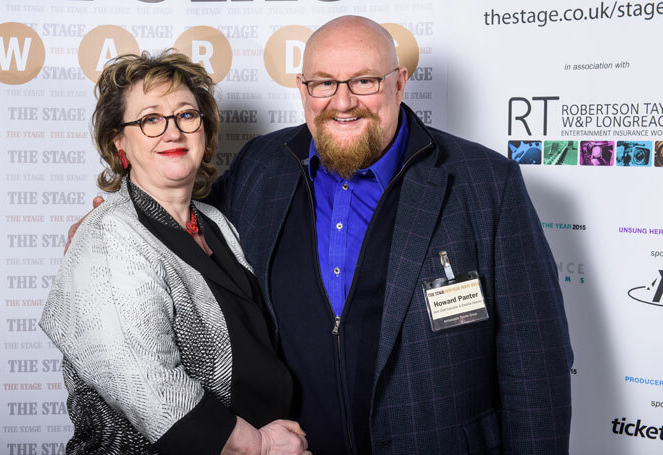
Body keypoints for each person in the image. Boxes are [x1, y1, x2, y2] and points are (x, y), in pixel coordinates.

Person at [71, 16, 573, 454]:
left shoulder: (484, 182)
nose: (343, 102)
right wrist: (113, 221)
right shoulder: (261, 167)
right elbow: (174, 224)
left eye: (364, 81)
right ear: (302, 87)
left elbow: (536, 362)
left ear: (400, 82)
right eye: (324, 83)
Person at [41, 51, 310, 455]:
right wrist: (261, 444)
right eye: (150, 119)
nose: (173, 132)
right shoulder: (108, 236)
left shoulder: (216, 223)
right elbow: (147, 387)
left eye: (186, 115)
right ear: (119, 141)